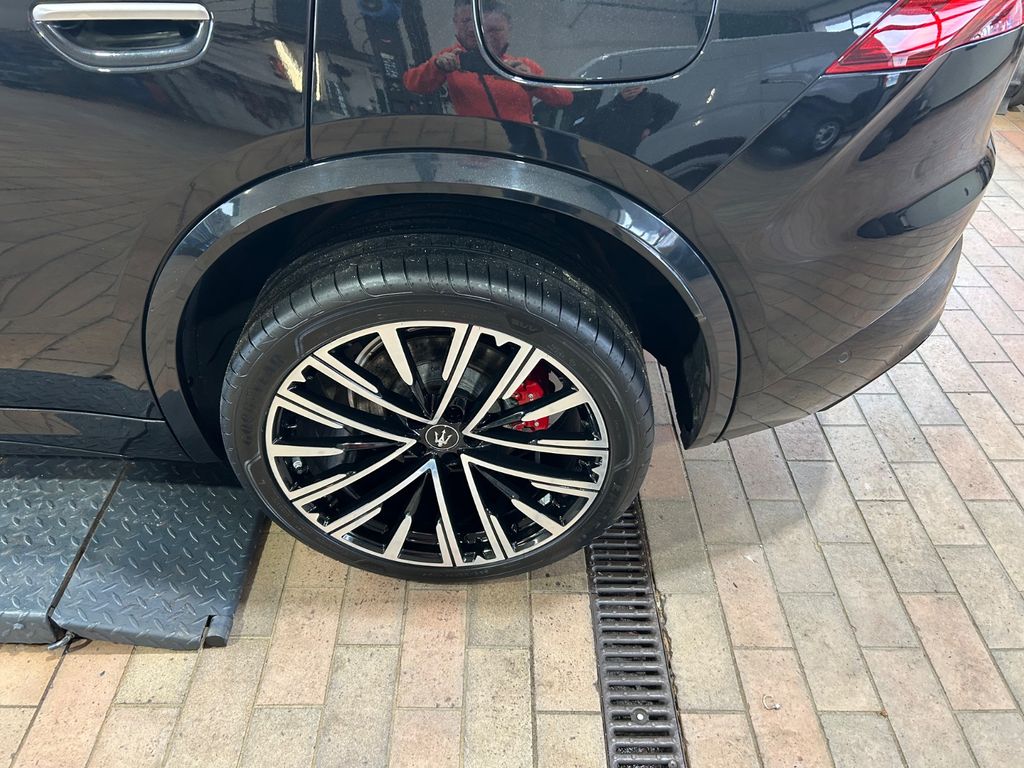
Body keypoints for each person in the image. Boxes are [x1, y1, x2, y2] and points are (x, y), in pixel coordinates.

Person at [403, 0, 571, 123]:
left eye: (494, 30)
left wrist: (530, 81)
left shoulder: (522, 66)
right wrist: (437, 67)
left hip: (520, 149)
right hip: (477, 150)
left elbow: (565, 98)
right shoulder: (451, 58)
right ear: (456, 23)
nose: (478, 32)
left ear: (508, 28)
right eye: (467, 22)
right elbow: (412, 84)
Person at [576, 86, 679, 156]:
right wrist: (620, 100)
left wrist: (651, 129)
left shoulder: (652, 100)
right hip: (602, 151)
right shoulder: (610, 99)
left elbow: (671, 109)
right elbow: (588, 124)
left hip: (630, 154)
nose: (632, 89)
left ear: (643, 86)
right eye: (628, 87)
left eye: (636, 85)